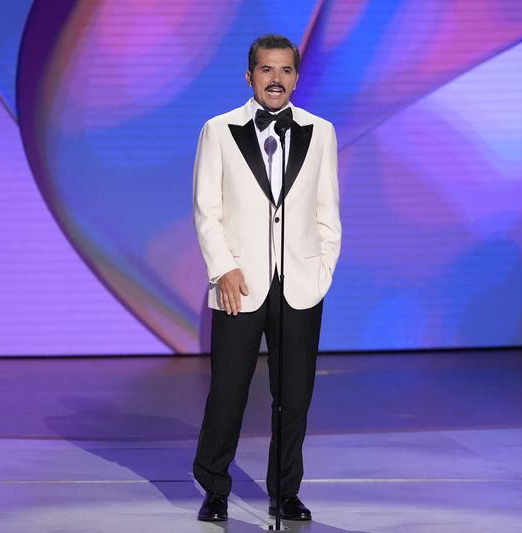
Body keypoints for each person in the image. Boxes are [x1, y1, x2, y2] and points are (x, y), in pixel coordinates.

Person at [191, 34, 341, 522]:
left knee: (294, 395)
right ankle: (214, 488)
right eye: (266, 70)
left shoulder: (321, 132)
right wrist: (223, 267)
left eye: (285, 71)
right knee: (228, 391)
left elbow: (327, 214)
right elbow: (206, 210)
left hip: (298, 285)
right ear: (250, 75)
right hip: (240, 284)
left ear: (296, 77)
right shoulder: (219, 130)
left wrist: (320, 275)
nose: (276, 79)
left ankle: (285, 491)